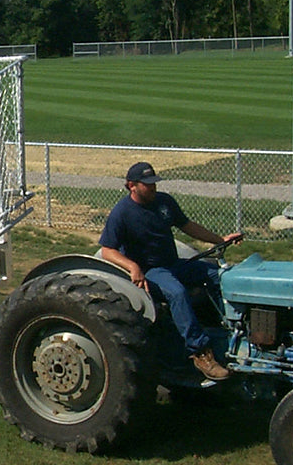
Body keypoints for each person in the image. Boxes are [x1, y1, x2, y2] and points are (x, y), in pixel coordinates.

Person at [99, 161, 242, 381]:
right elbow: (107, 250)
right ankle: (200, 352)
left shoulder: (164, 202)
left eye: (154, 183)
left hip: (174, 264)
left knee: (219, 275)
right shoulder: (122, 212)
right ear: (131, 186)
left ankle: (232, 328)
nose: (153, 187)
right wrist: (133, 267)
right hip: (152, 271)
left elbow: (188, 226)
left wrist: (219, 239)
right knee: (177, 292)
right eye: (147, 184)